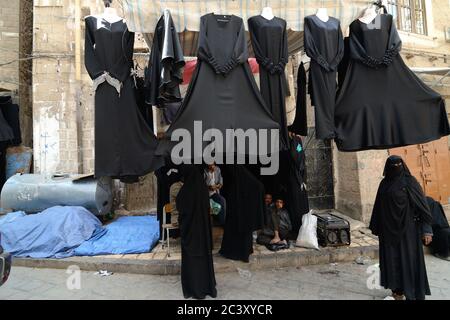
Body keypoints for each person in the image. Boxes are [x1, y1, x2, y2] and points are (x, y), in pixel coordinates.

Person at [370, 155, 433, 300]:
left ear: (402, 165)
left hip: (408, 231)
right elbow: (378, 207)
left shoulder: (410, 183)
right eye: (392, 165)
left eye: (398, 164)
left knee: (409, 261)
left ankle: (411, 292)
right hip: (388, 233)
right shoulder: (384, 184)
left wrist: (427, 230)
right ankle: (397, 291)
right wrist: (377, 226)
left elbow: (423, 208)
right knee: (392, 263)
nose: (395, 168)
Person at [176, 165, 217, 299]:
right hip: (203, 234)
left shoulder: (184, 191)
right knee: (204, 260)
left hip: (190, 233)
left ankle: (193, 289)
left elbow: (181, 210)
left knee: (191, 261)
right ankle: (206, 287)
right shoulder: (203, 190)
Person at [426, 196, 450, 261]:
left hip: (438, 227)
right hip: (430, 231)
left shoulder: (431, 203)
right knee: (444, 234)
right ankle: (442, 254)